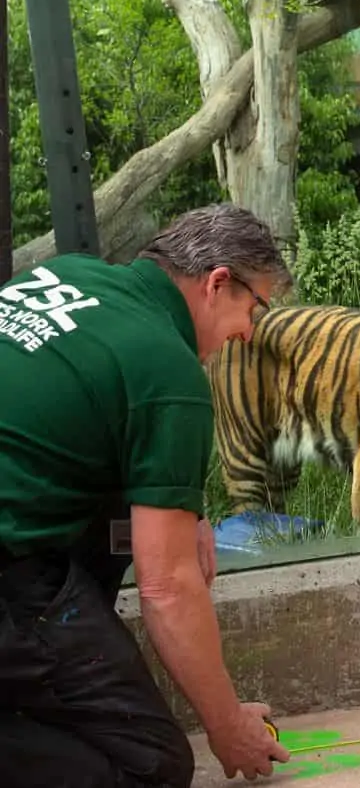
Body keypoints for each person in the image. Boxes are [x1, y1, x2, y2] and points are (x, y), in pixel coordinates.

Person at [0, 203, 293, 786]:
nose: (251, 331)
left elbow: (77, 405)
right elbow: (167, 587)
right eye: (255, 306)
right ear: (217, 283)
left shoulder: (71, 275)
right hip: (11, 572)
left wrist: (190, 508)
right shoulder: (169, 369)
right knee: (149, 763)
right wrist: (227, 724)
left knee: (117, 517)